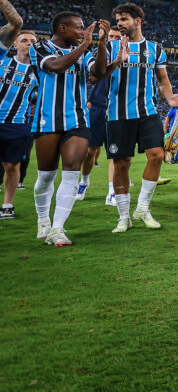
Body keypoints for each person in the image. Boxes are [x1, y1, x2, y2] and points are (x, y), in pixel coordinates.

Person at [32, 14, 115, 245]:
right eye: (78, 28)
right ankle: (43, 220)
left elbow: (98, 74)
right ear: (62, 27)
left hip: (78, 119)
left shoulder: (85, 49)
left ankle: (58, 228)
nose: (81, 32)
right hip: (47, 120)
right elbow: (56, 66)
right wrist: (86, 44)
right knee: (45, 177)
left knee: (70, 173)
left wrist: (99, 45)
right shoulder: (40, 46)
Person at [104, 3, 178, 233]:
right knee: (121, 163)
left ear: (138, 21)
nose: (120, 23)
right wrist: (117, 58)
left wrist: (169, 98)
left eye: (124, 19)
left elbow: (162, 78)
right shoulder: (110, 46)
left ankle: (143, 208)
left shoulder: (155, 49)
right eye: (118, 19)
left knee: (157, 155)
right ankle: (123, 216)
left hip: (147, 112)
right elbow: (99, 73)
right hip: (118, 113)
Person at [76, 26, 121, 203]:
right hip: (98, 107)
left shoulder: (131, 56)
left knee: (114, 152)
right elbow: (93, 76)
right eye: (111, 36)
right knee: (90, 151)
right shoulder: (98, 54)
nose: (114, 39)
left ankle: (111, 191)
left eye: (118, 36)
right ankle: (84, 182)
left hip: (118, 108)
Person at [0, 11, 36, 220]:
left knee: (12, 166)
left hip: (18, 124)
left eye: (32, 41)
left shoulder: (39, 71)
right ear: (15, 44)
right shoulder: (2, 63)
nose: (29, 43)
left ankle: (7, 204)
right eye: (24, 40)